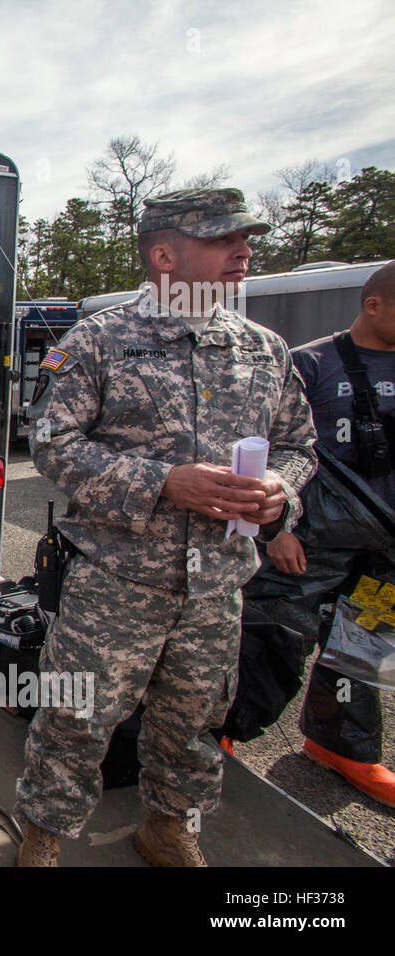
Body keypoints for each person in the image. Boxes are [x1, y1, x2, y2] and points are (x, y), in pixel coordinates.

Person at [13, 188, 318, 866]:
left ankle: (169, 827)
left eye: (246, 238)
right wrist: (163, 483)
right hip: (118, 582)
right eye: (222, 239)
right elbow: (52, 445)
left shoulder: (265, 350)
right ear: (164, 255)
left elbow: (300, 447)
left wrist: (279, 493)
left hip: (216, 589)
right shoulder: (100, 339)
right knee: (75, 720)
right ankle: (44, 836)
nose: (243, 251)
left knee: (195, 724)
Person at [261, 260, 395, 806]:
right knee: (269, 634)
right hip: (310, 538)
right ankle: (219, 727)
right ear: (374, 305)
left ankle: (342, 743)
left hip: (384, 545)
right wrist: (276, 530)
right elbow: (269, 450)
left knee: (363, 647)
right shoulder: (309, 365)